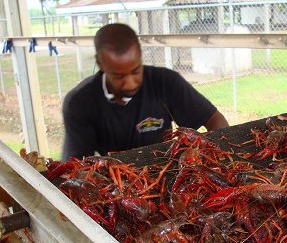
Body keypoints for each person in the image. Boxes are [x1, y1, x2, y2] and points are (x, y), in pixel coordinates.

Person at [61, 23, 229, 160]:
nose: (130, 83)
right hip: (116, 181)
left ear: (140, 55)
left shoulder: (166, 82)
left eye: (135, 71)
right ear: (100, 64)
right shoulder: (80, 102)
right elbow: (73, 164)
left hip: (167, 171)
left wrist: (214, 159)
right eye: (119, 76)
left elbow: (215, 120)